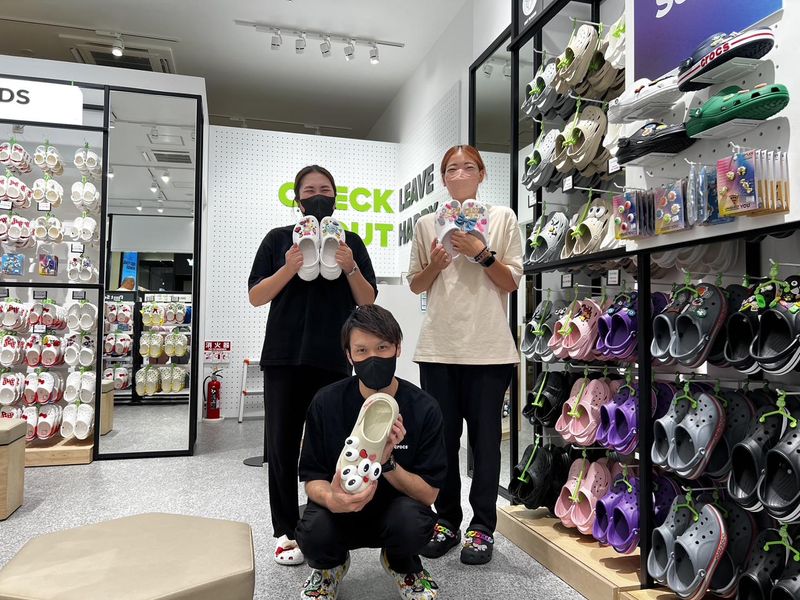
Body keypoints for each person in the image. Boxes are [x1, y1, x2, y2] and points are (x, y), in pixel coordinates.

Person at [248, 165, 378, 566]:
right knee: (282, 448)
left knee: (332, 447)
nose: (317, 195)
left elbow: (368, 300)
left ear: (335, 197)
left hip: (334, 359)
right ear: (297, 198)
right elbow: (256, 296)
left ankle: (328, 521)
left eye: (325, 189)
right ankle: (285, 530)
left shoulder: (350, 242)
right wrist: (289, 266)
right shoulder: (276, 239)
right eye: (309, 190)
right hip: (284, 358)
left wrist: (350, 265)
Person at [407, 144, 523, 565]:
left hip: (489, 349)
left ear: (482, 173)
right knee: (441, 441)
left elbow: (510, 282)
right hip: (439, 348)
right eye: (452, 168)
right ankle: (447, 520)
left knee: (487, 443)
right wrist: (436, 265)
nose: (459, 174)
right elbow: (416, 284)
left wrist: (481, 253)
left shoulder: (502, 218)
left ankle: (483, 527)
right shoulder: (426, 223)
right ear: (443, 178)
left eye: (468, 167)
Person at [296, 304, 446, 600]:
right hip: (340, 511)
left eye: (382, 347)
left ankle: (401, 563)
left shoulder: (424, 408)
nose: (373, 358)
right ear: (349, 356)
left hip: (395, 513)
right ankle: (330, 567)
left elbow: (429, 495)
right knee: (313, 532)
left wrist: (387, 462)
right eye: (362, 351)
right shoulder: (326, 403)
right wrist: (332, 498)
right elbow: (312, 478)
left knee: (415, 525)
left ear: (398, 348)